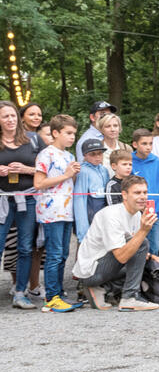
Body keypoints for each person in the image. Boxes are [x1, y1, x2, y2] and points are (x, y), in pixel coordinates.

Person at [72, 175, 159, 312]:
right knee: (142, 242)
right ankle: (129, 298)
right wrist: (143, 231)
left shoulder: (136, 214)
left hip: (105, 266)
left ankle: (102, 289)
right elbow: (121, 256)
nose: (143, 197)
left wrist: (154, 257)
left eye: (144, 192)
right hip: (91, 271)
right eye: (137, 193)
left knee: (146, 262)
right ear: (124, 195)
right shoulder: (112, 215)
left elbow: (134, 251)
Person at [33, 114, 83, 312]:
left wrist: (74, 176)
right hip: (51, 211)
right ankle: (51, 297)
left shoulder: (69, 156)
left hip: (66, 211)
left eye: (74, 134)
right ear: (55, 133)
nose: (72, 137)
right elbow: (38, 183)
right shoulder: (46, 154)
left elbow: (68, 181)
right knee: (54, 254)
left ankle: (59, 293)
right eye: (68, 133)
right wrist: (66, 175)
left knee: (63, 253)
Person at [0, 100, 42, 309]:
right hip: (2, 200)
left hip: (28, 199)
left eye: (13, 116)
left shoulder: (33, 140)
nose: (10, 120)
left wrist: (27, 169)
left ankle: (20, 292)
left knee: (26, 247)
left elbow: (48, 169)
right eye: (5, 116)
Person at [131, 128, 159, 255]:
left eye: (150, 143)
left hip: (154, 211)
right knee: (137, 247)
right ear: (135, 144)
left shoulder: (156, 161)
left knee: (154, 248)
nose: (148, 147)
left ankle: (152, 274)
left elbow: (158, 183)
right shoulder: (130, 161)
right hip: (136, 212)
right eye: (144, 144)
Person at [73, 139, 110, 243]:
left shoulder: (104, 170)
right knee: (86, 248)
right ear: (85, 155)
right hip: (90, 211)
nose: (97, 157)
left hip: (102, 213)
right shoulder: (83, 171)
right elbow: (79, 199)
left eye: (100, 154)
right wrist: (82, 231)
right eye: (93, 154)